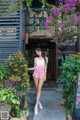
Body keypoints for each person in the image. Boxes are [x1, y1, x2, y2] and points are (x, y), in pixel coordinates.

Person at [29, 47, 48, 115]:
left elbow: (45, 68)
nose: (38, 53)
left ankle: (36, 106)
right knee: (36, 89)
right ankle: (38, 102)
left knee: (39, 89)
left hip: (42, 74)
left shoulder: (45, 58)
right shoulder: (35, 59)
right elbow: (34, 67)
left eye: (38, 51)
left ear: (41, 51)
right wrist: (28, 68)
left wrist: (45, 76)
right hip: (36, 74)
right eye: (36, 52)